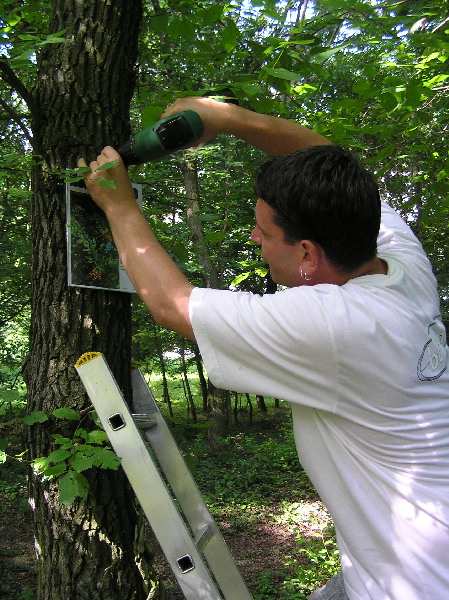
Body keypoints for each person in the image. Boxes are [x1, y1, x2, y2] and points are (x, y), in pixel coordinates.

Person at [79, 97, 449, 600]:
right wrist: (225, 118)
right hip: (407, 547)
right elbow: (326, 155)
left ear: (306, 254)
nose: (254, 237)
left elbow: (173, 305)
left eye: (264, 231)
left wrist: (119, 206)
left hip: (416, 580)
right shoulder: (397, 264)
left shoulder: (335, 325)